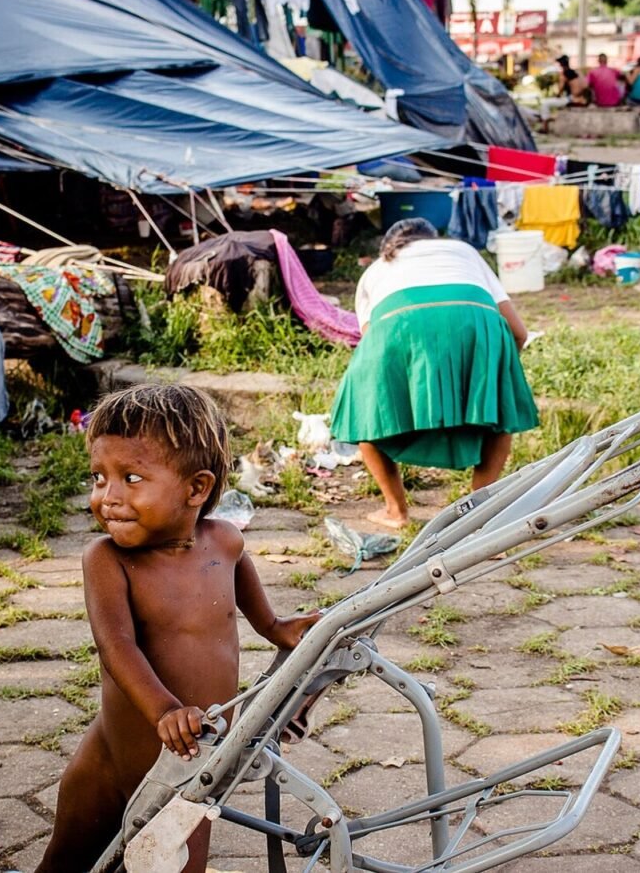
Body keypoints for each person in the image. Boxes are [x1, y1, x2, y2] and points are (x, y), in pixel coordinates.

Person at [37, 383, 321, 872]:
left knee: (173, 862)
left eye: (130, 477)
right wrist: (164, 708)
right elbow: (116, 645)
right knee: (66, 860)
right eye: (98, 478)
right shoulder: (107, 560)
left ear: (196, 488)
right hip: (118, 752)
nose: (108, 497)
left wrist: (275, 627)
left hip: (189, 760)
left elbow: (243, 589)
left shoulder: (225, 542)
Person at [331, 219, 539, 529]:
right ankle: (477, 515)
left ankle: (395, 511)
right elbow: (519, 332)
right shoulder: (463, 251)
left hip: (397, 323)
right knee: (500, 421)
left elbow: (375, 352)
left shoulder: (374, 271)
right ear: (431, 238)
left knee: (365, 417)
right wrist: (491, 384)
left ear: (390, 246)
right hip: (475, 319)